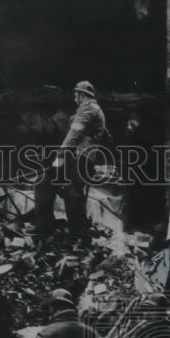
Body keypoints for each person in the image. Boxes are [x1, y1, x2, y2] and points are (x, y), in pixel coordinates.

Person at [34, 81, 109, 239]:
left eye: (76, 94)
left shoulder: (89, 108)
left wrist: (60, 156)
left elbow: (75, 133)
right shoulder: (89, 110)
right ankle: (44, 226)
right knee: (43, 180)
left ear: (83, 95)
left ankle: (77, 232)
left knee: (73, 191)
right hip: (75, 155)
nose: (75, 98)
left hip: (82, 156)